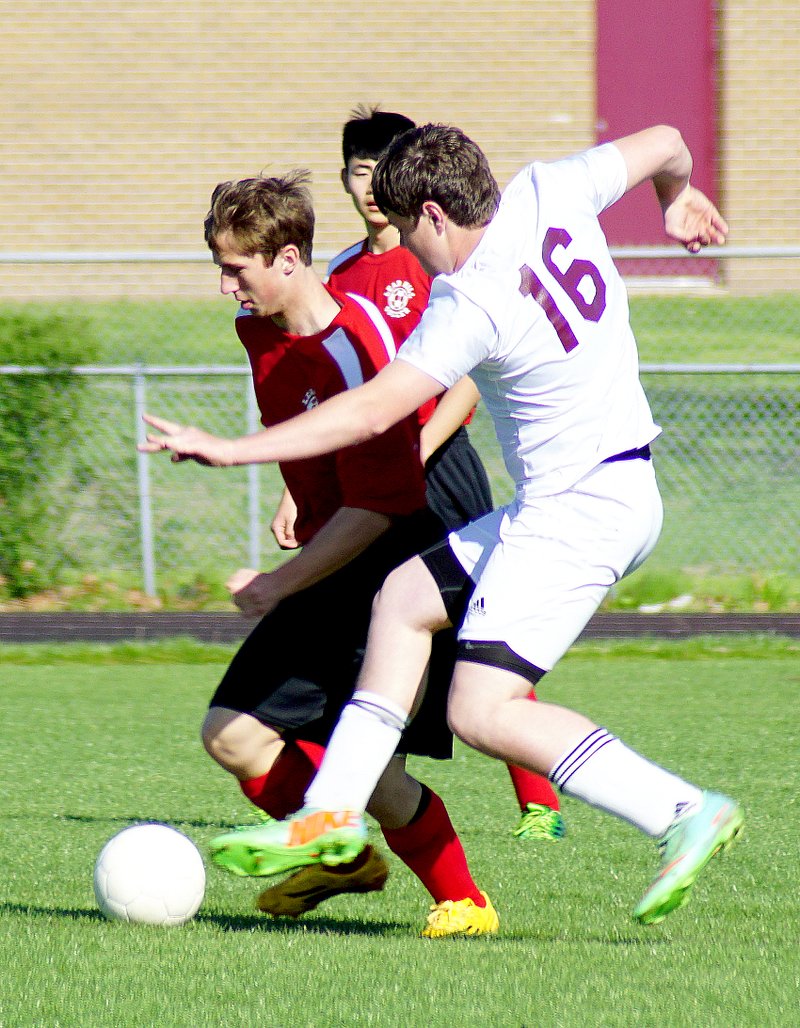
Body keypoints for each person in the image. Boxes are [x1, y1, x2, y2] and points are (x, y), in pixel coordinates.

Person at [142, 123, 743, 926]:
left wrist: (232, 450)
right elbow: (670, 138)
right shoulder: (550, 188)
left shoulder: (472, 297)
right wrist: (677, 196)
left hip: (577, 513)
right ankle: (330, 813)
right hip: (601, 490)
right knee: (405, 597)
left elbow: (372, 410)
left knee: (483, 711)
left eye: (408, 235)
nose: (417, 265)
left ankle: (679, 810)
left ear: (431, 212)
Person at [168, 169, 499, 938]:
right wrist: (298, 496)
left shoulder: (355, 352)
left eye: (235, 269)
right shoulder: (259, 330)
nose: (226, 288)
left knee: (373, 772)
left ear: (288, 259)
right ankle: (341, 856)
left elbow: (383, 508)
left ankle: (464, 902)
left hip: (385, 572)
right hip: (331, 554)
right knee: (238, 735)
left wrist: (276, 584)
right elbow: (319, 455)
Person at [325, 104, 564, 841]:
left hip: (438, 458)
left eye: (381, 172)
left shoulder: (443, 257)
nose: (370, 189)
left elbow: (466, 369)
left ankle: (539, 800)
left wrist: (421, 442)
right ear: (345, 179)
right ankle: (355, 790)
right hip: (372, 467)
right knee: (380, 621)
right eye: (360, 173)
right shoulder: (340, 272)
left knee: (477, 623)